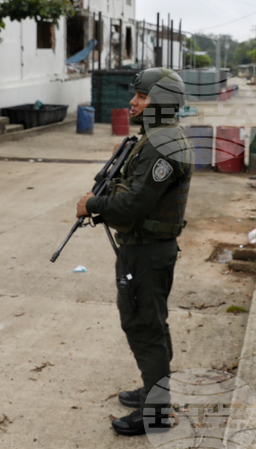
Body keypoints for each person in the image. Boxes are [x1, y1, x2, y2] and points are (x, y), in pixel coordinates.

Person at [76, 67, 193, 437]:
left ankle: (155, 414)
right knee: (151, 324)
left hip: (147, 252)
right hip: (145, 248)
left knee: (144, 326)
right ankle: (153, 393)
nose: (133, 102)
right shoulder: (157, 137)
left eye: (142, 96)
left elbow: (133, 205)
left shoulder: (161, 143)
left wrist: (92, 205)